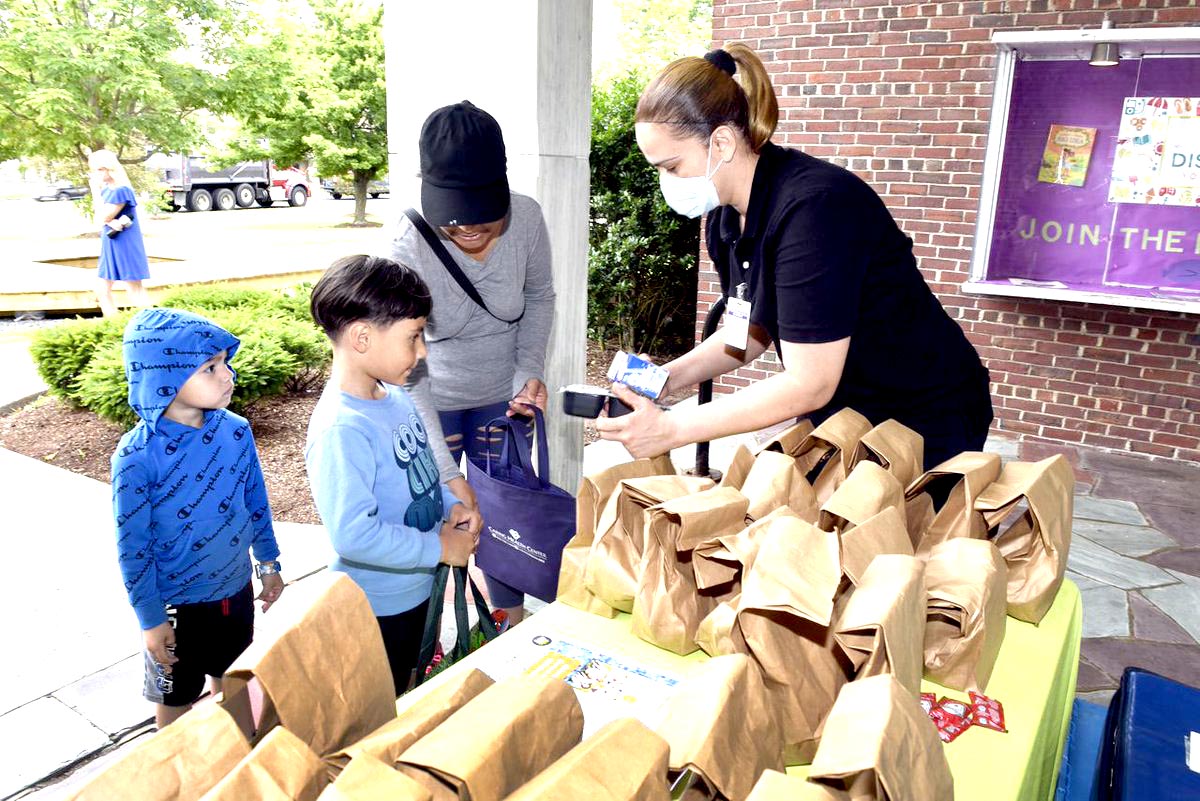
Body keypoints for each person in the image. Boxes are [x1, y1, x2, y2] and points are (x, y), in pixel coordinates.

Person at [597, 44, 992, 471]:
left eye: (671, 167)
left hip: (924, 411)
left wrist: (673, 429)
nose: (666, 183)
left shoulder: (817, 209)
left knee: (891, 536)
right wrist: (665, 380)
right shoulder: (726, 220)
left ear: (723, 142)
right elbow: (744, 334)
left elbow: (810, 382)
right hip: (846, 410)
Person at [386, 101, 555, 626]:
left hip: (502, 399)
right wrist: (442, 472)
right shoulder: (406, 244)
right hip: (432, 400)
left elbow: (541, 296)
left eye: (483, 212)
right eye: (454, 217)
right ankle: (435, 635)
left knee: (506, 522)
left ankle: (506, 627)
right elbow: (405, 370)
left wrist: (529, 370)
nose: (470, 229)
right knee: (439, 516)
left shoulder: (526, 218)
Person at [305, 255, 481, 695]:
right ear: (362, 337)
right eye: (414, 337)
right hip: (375, 607)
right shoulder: (342, 428)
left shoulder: (396, 398)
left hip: (416, 590)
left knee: (409, 684)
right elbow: (352, 535)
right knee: (380, 707)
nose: (421, 352)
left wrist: (449, 505)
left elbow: (418, 472)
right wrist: (438, 545)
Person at [111, 308, 284, 731]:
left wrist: (268, 563)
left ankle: (242, 755)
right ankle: (177, 780)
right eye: (210, 367)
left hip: (235, 593)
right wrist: (151, 621)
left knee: (236, 681)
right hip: (175, 608)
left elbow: (254, 499)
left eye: (225, 362)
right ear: (161, 377)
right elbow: (133, 548)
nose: (227, 375)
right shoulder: (135, 458)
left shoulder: (236, 431)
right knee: (175, 699)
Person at [89, 149, 151, 316]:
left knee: (133, 288)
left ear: (110, 168)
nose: (96, 174)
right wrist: (108, 220)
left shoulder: (121, 190)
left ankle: (152, 327)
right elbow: (99, 219)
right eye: (95, 169)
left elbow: (103, 215)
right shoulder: (108, 190)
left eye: (100, 169)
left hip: (125, 243)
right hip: (111, 242)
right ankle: (114, 325)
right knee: (102, 289)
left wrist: (107, 218)